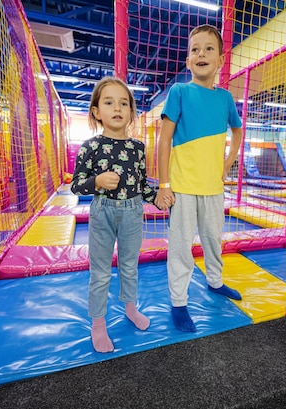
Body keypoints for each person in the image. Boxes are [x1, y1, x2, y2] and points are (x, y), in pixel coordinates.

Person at [155, 24, 244, 333]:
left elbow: (238, 130)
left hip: (212, 186)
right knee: (180, 246)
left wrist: (227, 164)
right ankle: (179, 301)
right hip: (182, 187)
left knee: (212, 240)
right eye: (195, 49)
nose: (201, 54)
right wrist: (164, 185)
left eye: (208, 48)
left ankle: (215, 282)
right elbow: (164, 141)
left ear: (220, 59)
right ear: (188, 59)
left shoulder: (225, 99)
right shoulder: (179, 91)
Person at [70, 76, 168, 353]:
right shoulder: (90, 146)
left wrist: (157, 198)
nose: (117, 108)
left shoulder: (137, 148)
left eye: (124, 103)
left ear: (131, 112)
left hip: (132, 211)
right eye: (109, 102)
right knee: (100, 272)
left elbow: (140, 185)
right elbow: (76, 184)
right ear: (96, 111)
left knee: (129, 266)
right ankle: (98, 325)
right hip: (102, 211)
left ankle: (130, 308)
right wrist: (97, 181)